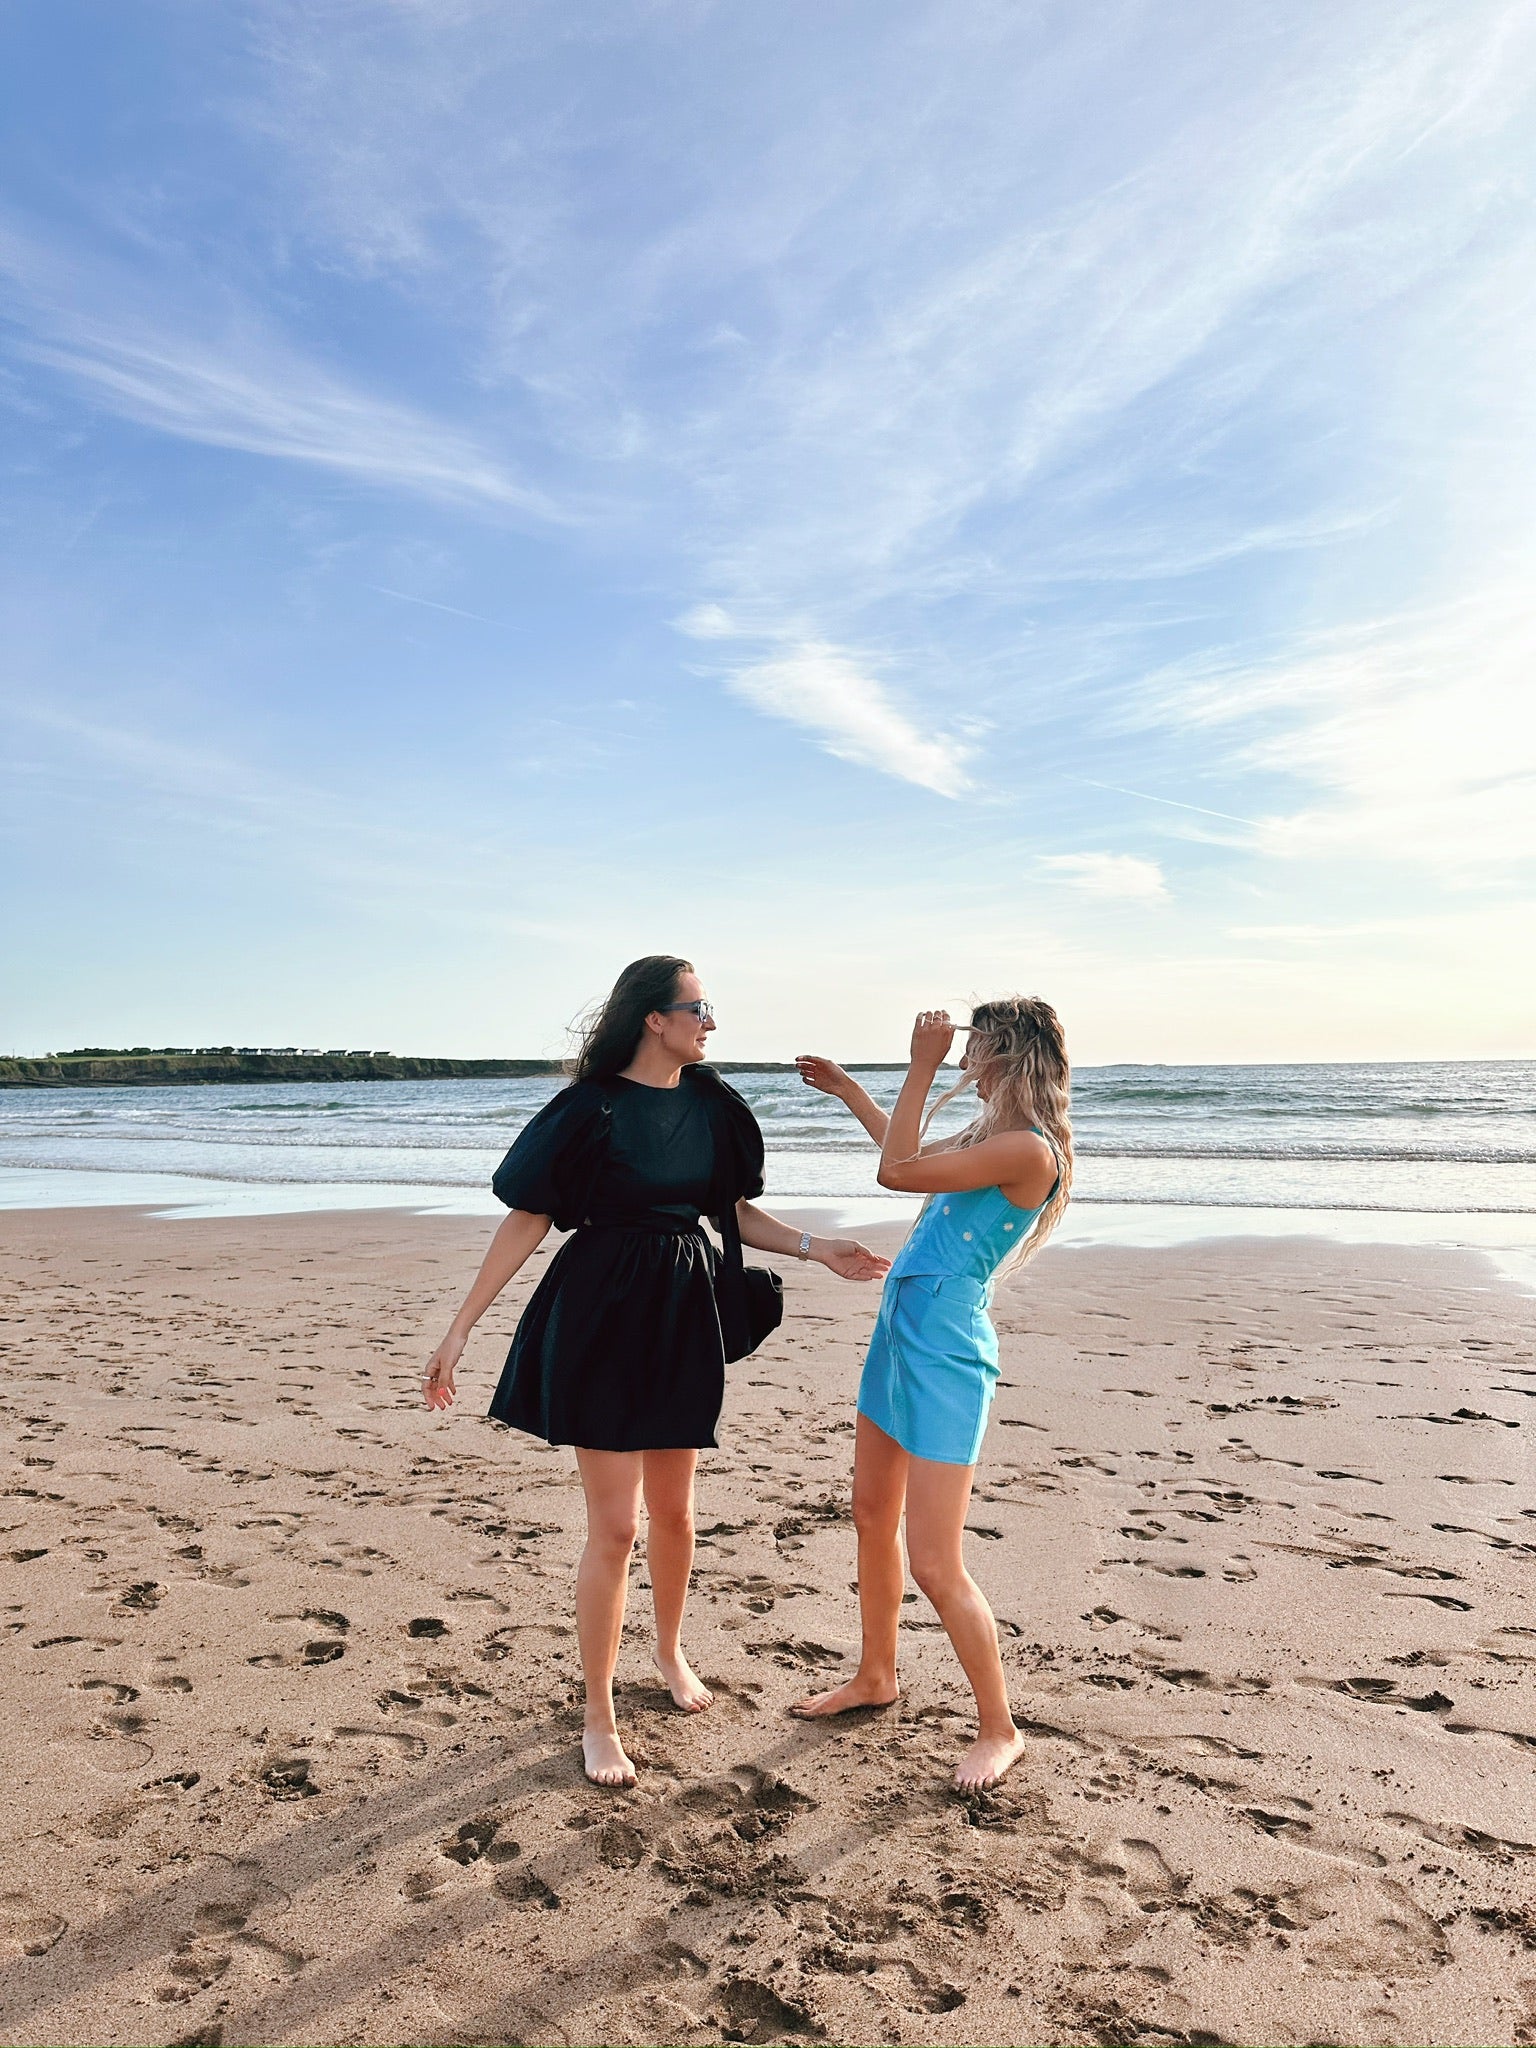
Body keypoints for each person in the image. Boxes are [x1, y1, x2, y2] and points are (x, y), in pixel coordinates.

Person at [422, 955, 888, 1789]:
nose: (712, 1022)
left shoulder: (713, 1105)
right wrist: (460, 1329)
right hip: (600, 1312)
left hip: (683, 1311)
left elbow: (732, 1213)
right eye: (700, 1007)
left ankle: (669, 1654)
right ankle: (598, 1715)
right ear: (655, 1019)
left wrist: (820, 1250)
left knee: (674, 1514)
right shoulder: (587, 1110)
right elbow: (529, 1219)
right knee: (616, 1528)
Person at [789, 999, 1073, 1791]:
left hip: (946, 1354)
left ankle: (999, 1728)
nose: (957, 1061)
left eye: (970, 1048)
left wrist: (914, 1067)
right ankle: (877, 1675)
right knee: (872, 1516)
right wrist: (852, 1092)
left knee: (935, 1561)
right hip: (898, 1338)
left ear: (1005, 1054)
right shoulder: (990, 1139)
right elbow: (905, 1149)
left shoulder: (1026, 1150)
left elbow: (897, 1173)